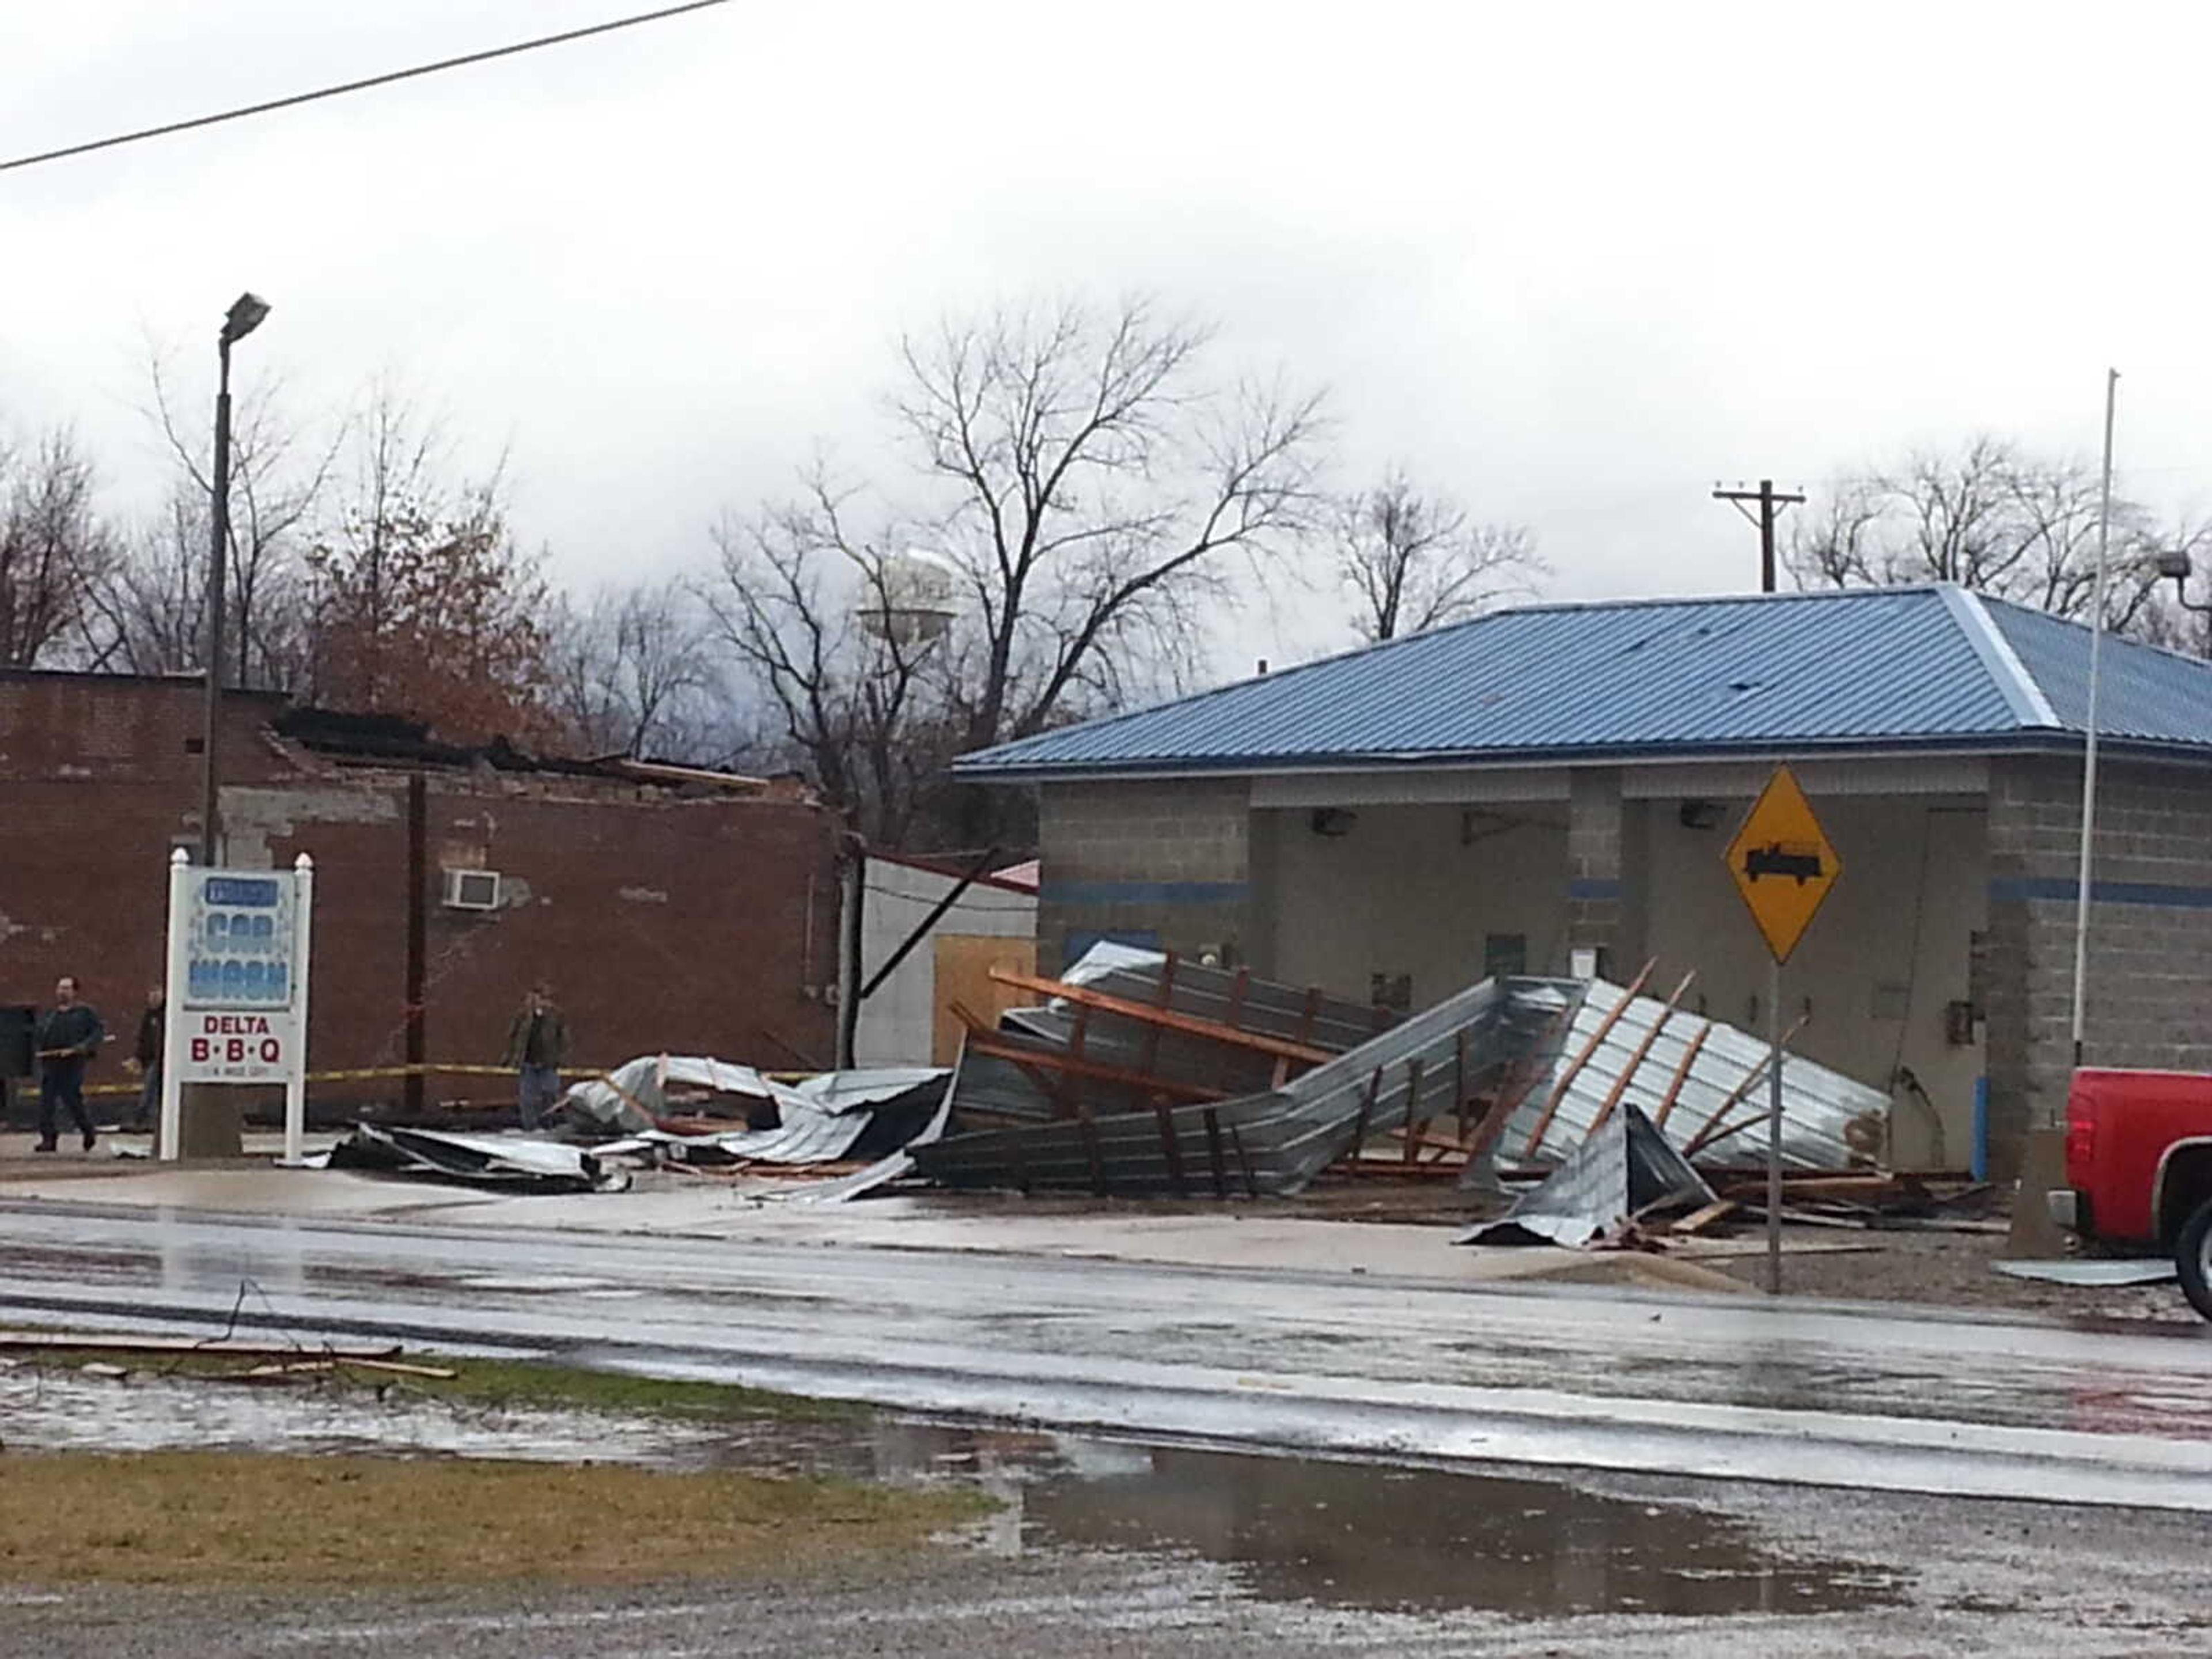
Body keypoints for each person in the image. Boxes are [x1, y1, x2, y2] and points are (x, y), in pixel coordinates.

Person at [34, 976, 105, 1153]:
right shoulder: (52, 1015)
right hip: (52, 1064)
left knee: (73, 1101)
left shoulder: (85, 1013)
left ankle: (88, 1131)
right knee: (47, 1103)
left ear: (74, 992)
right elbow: (41, 1036)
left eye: (66, 988)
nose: (62, 992)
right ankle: (49, 1139)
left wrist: (81, 1048)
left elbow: (97, 1034)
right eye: (60, 988)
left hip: (73, 1064)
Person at [500, 983, 569, 1132]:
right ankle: (530, 1126)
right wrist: (509, 1057)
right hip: (528, 1062)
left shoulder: (556, 1016)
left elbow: (563, 1038)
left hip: (548, 1063)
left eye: (540, 998)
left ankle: (548, 1124)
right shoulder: (523, 1016)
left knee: (550, 1093)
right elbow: (513, 1036)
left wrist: (561, 1058)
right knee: (528, 1098)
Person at [125, 983, 165, 1133]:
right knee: (150, 1089)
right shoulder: (149, 1015)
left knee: (152, 1089)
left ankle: (144, 1120)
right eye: (151, 996)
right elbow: (144, 1038)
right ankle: (144, 1120)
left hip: (163, 1059)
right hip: (153, 1059)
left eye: (157, 995)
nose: (154, 999)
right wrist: (138, 1058)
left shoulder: (167, 1015)